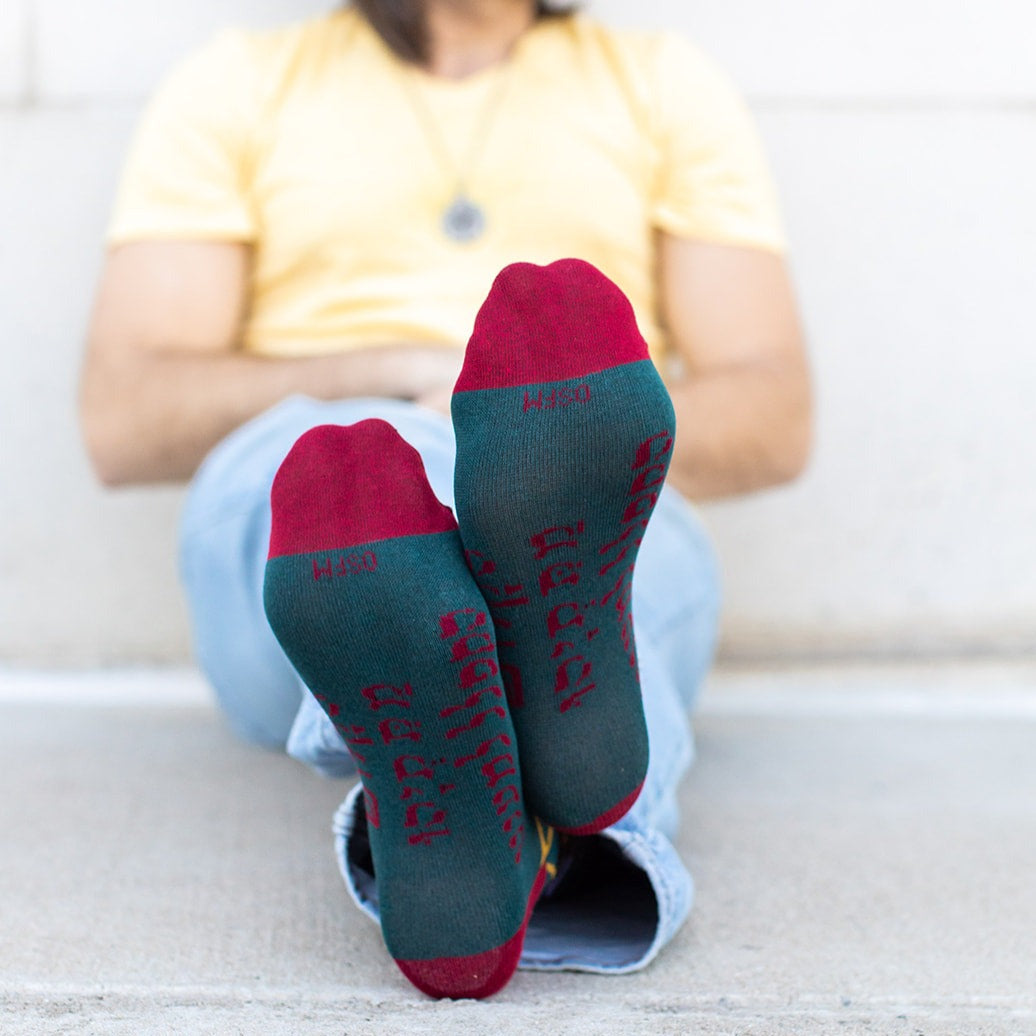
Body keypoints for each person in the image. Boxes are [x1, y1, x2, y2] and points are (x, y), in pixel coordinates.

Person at [80, 0, 811, 1000]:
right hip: (314, 471)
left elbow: (774, 413)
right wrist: (414, 382)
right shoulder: (239, 84)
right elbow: (127, 412)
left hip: (606, 497)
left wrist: (494, 424)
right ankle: (567, 810)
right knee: (348, 493)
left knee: (584, 545)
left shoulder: (658, 84)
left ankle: (488, 817)